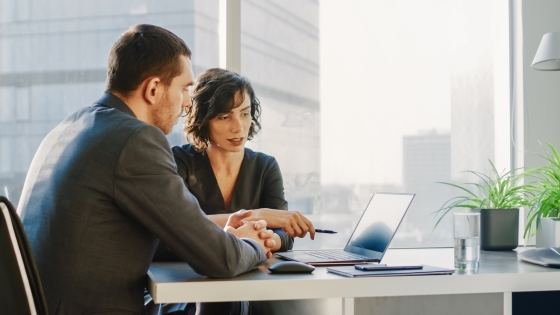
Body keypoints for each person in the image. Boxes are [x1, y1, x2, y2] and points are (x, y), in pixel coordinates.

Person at [17, 24, 277, 315]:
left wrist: (226, 239)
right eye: (184, 88)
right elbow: (222, 260)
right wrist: (250, 244)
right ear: (153, 89)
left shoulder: (73, 125)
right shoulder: (134, 139)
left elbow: (178, 235)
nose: (188, 102)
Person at [148, 68, 315, 314]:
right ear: (204, 120)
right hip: (188, 286)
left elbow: (284, 232)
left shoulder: (265, 166)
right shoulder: (178, 161)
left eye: (245, 114)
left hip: (250, 282)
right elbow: (172, 231)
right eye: (224, 117)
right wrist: (260, 216)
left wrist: (271, 239)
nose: (239, 128)